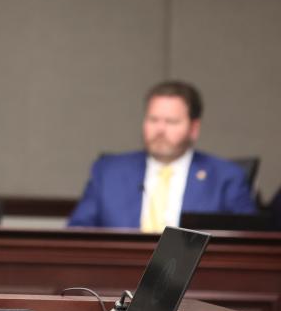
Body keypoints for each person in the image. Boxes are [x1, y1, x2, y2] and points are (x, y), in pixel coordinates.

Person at [68, 80, 256, 231]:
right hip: (118, 274)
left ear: (194, 128)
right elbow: (78, 231)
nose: (160, 129)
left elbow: (248, 242)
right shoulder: (108, 171)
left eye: (171, 122)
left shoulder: (225, 177)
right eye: (153, 119)